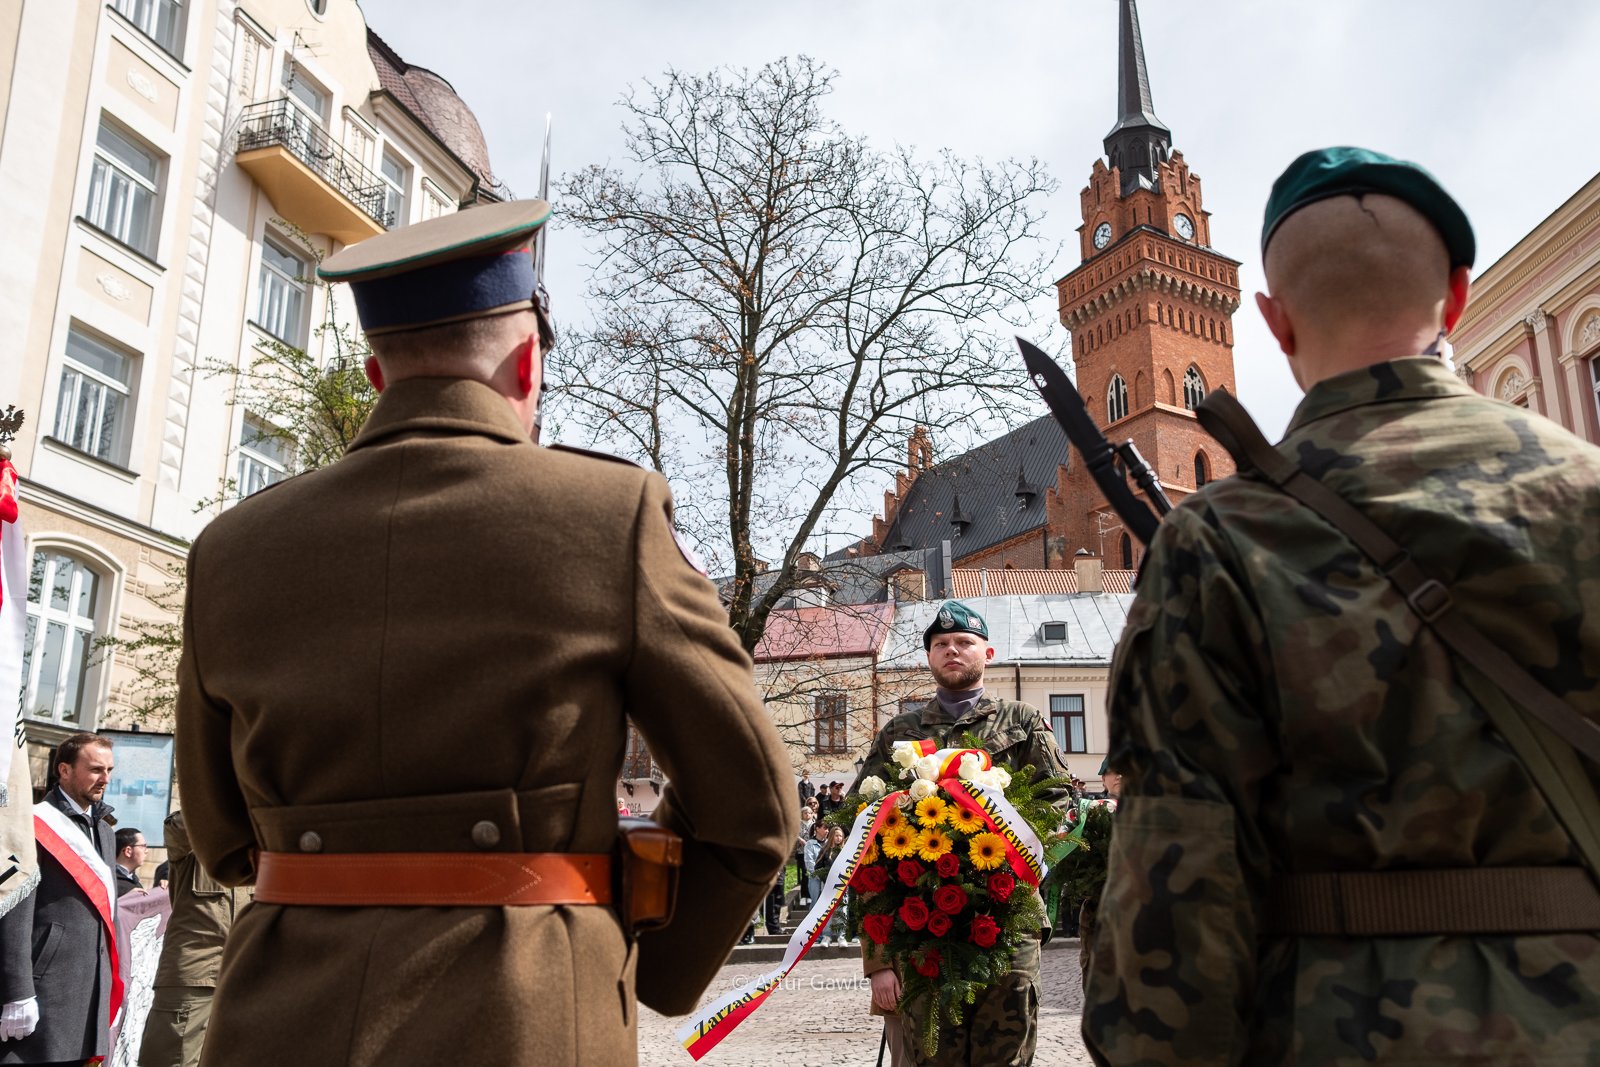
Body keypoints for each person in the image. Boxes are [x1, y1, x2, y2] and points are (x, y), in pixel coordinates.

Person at [174, 198, 797, 1066]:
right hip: (529, 1009)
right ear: (528, 361)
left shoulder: (228, 550)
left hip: (279, 1013)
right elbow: (754, 804)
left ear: (375, 376)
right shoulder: (608, 516)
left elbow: (221, 833)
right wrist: (646, 963)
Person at [1083, 147, 1600, 1065]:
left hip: (1337, 1029)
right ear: (1458, 296)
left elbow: (1176, 889)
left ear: (1274, 322)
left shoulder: (1218, 541)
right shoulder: (1589, 492)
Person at [850, 600, 1071, 1066]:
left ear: (987, 653)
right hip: (920, 926)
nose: (953, 650)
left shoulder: (1022, 722)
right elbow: (864, 842)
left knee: (1005, 1054)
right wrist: (879, 961)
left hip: (1007, 919)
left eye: (964, 643)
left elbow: (1059, 802)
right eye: (941, 644)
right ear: (929, 658)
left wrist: (1005, 848)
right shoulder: (900, 734)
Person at [0, 733, 119, 1064]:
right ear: (64, 770)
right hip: (46, 990)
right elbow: (14, 911)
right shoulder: (32, 824)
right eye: (96, 769)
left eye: (109, 770)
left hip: (90, 991)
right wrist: (18, 992)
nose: (105, 779)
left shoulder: (105, 832)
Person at [140, 810, 248, 1067]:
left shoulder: (258, 863)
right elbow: (180, 826)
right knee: (173, 1059)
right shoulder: (190, 852)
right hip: (193, 979)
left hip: (244, 981)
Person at [114, 827, 146, 897]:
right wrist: (125, 898)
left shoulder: (133, 880)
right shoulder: (108, 880)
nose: (146, 851)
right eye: (143, 846)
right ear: (128, 851)